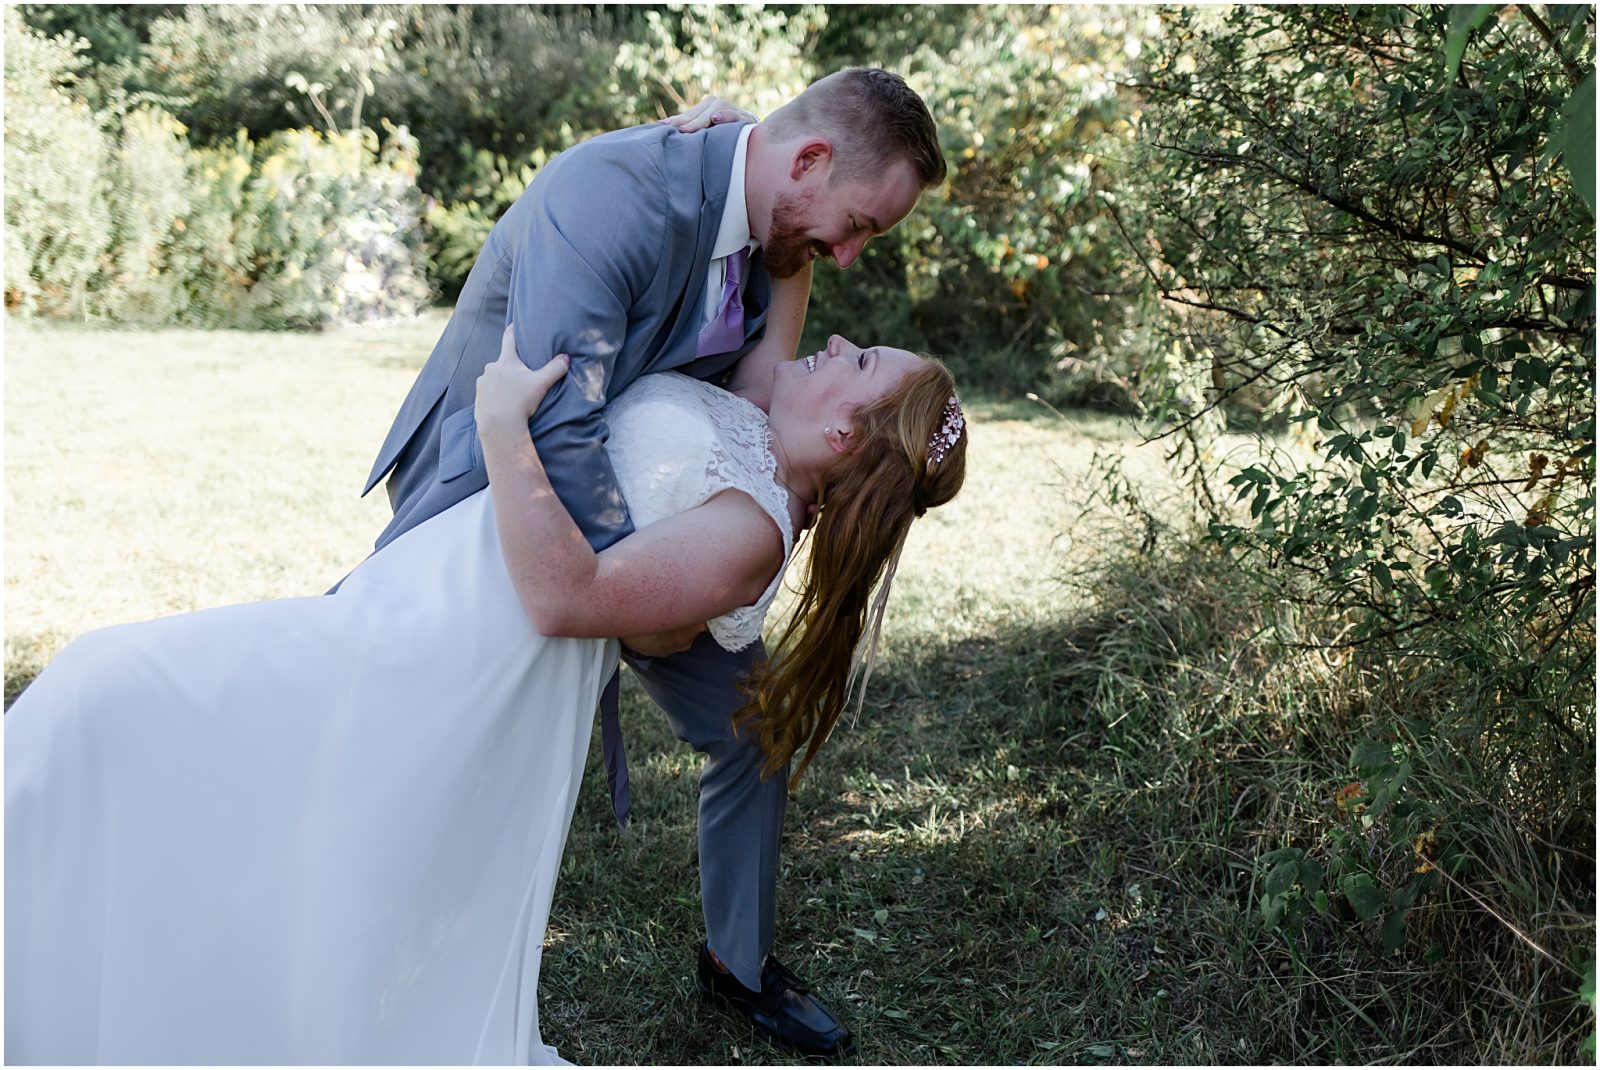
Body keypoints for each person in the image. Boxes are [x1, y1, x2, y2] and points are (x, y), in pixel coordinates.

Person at [4, 321, 969, 1063]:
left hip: (449, 651)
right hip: (419, 596)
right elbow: (788, 263)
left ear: (844, 429)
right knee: (145, 721)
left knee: (107, 689)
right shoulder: (764, 428)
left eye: (864, 356)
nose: (836, 341)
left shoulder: (751, 532)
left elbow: (566, 599)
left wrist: (504, 425)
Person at [360, 67, 946, 1056]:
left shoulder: (772, 225)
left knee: (754, 728)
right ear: (806, 161)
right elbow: (558, 425)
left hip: (655, 534)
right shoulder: (620, 196)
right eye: (857, 226)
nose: (849, 255)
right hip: (498, 497)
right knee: (416, 745)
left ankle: (737, 962)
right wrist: (643, 600)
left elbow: (761, 406)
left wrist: (691, 570)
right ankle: (371, 941)